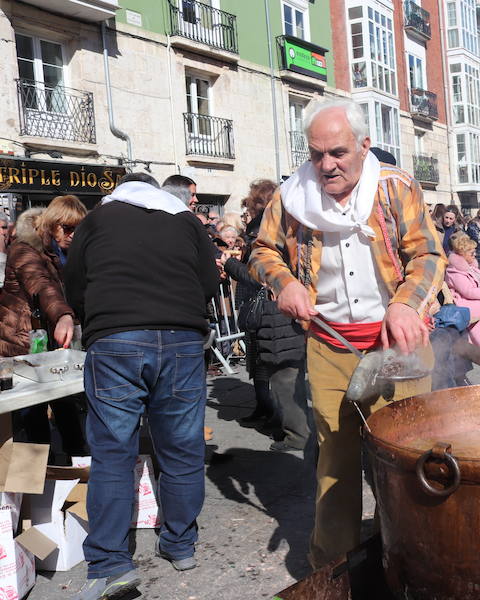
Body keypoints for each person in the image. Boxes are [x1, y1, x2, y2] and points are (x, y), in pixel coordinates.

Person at [248, 97, 445, 569]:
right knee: (334, 463)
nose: (326, 165)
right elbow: (261, 252)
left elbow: (429, 255)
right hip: (329, 343)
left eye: (337, 152)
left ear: (364, 145)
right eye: (316, 154)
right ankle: (333, 569)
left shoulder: (396, 188)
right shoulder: (292, 196)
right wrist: (286, 282)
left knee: (405, 459)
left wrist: (405, 304)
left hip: (398, 344)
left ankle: (411, 558)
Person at [64, 172, 219, 600]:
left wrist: (97, 317)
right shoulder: (185, 220)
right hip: (182, 339)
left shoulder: (98, 219)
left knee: (114, 450)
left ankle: (110, 561)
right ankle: (179, 542)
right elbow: (209, 283)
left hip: (116, 340)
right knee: (182, 446)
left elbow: (74, 284)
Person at [223, 180, 310, 453]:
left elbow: (258, 275)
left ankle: (297, 433)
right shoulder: (279, 225)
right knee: (272, 371)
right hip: (276, 310)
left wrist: (229, 263)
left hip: (276, 311)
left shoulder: (269, 229)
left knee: (284, 374)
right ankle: (276, 418)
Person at [0, 197, 87, 463]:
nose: (73, 236)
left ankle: (78, 469)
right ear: (52, 224)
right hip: (21, 345)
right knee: (32, 415)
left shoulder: (49, 251)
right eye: (68, 229)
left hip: (44, 348)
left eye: (77, 230)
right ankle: (38, 485)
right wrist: (63, 315)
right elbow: (43, 287)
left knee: (64, 406)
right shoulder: (24, 250)